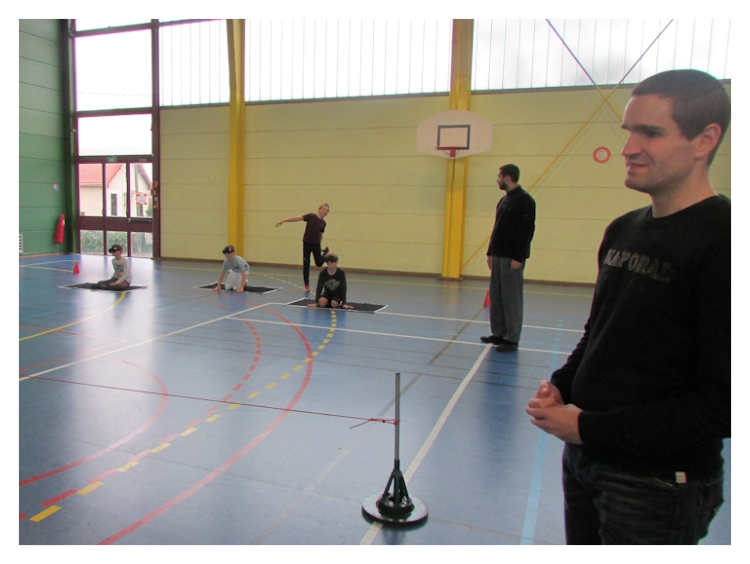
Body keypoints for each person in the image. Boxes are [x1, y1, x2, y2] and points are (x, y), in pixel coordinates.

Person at [526, 69, 730, 545]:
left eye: (650, 133)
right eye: (629, 131)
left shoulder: (725, 241)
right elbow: (600, 332)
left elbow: (723, 404)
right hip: (586, 461)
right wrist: (561, 386)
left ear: (705, 140)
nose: (629, 148)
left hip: (657, 484)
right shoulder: (623, 229)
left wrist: (587, 427)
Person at [480, 164, 536, 352]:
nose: (497, 180)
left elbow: (526, 231)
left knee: (511, 298)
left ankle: (512, 338)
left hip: (511, 257)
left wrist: (518, 257)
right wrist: (490, 252)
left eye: (499, 176)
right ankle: (499, 333)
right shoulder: (504, 200)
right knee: (496, 296)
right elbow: (497, 229)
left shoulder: (525, 201)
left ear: (508, 178)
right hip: (498, 255)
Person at [276, 203, 330, 292]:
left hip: (316, 244)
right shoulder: (311, 216)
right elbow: (297, 218)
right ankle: (307, 284)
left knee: (319, 263)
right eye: (324, 209)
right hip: (307, 243)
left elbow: (320, 234)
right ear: (319, 209)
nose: (325, 211)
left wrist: (319, 245)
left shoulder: (323, 223)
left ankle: (325, 253)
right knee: (306, 264)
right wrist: (284, 220)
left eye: (327, 211)